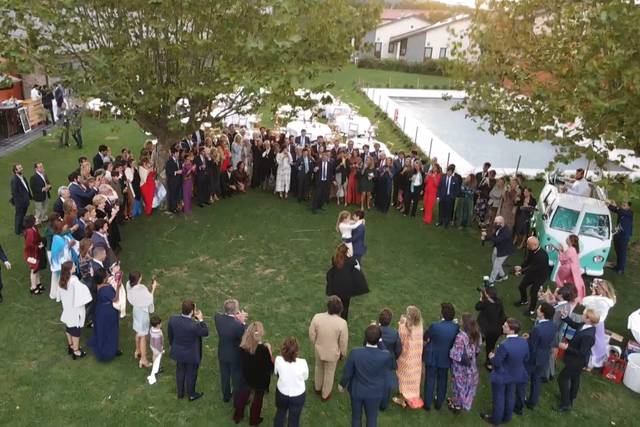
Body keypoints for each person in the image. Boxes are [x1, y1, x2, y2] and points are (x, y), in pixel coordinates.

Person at [339, 325, 394, 427]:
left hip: (357, 391)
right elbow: (392, 363)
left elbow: (347, 372)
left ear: (365, 337)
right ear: (379, 340)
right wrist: (380, 341)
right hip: (375, 393)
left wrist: (342, 385)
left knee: (356, 417)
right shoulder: (385, 356)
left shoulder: (355, 353)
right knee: (372, 419)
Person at [480, 318, 529, 425]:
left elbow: (496, 363)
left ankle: (496, 420)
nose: (503, 326)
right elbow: (526, 358)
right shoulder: (523, 342)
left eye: (505, 326)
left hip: (501, 376)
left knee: (499, 398)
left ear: (512, 330)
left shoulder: (504, 345)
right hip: (515, 375)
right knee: (510, 396)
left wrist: (491, 357)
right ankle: (507, 417)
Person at [557, 309, 599, 412]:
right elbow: (575, 325)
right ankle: (571, 397)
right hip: (577, 360)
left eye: (584, 315)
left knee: (562, 379)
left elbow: (582, 353)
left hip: (576, 361)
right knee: (575, 378)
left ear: (589, 319)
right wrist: (565, 317)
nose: (582, 315)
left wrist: (566, 348)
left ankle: (566, 403)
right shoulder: (586, 325)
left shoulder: (588, 336)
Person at [308, 296, 349, 401]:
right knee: (329, 374)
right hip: (332, 353)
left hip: (319, 349)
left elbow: (311, 334)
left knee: (319, 368)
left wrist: (315, 343)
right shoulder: (342, 323)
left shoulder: (317, 317)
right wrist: (342, 353)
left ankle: (317, 388)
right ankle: (325, 395)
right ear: (340, 309)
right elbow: (343, 341)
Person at [234, 321, 275, 425]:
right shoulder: (263, 350)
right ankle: (254, 420)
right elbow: (270, 367)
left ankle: (238, 416)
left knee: (243, 395)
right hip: (260, 379)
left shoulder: (243, 346)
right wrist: (269, 350)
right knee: (257, 399)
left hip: (247, 375)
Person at [168, 299, 209, 401]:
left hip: (178, 352)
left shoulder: (173, 320)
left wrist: (173, 345)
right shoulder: (194, 325)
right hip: (191, 355)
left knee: (180, 371)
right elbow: (205, 332)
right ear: (192, 311)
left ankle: (180, 393)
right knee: (191, 373)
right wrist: (201, 320)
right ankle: (191, 394)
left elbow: (170, 335)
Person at [423, 302, 459, 411]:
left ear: (442, 314)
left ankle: (427, 404)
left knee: (430, 380)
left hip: (432, 357)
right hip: (445, 358)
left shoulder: (435, 326)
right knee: (442, 380)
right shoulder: (456, 328)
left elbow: (426, 337)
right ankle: (439, 403)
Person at [521, 302, 556, 411]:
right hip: (544, 356)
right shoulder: (553, 325)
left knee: (523, 379)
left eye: (539, 309)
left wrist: (526, 340)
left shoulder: (538, 328)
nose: (537, 310)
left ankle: (520, 400)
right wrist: (531, 336)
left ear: (542, 313)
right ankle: (532, 403)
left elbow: (532, 347)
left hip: (533, 358)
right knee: (536, 380)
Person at [214, 299, 248, 404]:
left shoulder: (218, 318)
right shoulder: (238, 326)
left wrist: (235, 317)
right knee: (236, 378)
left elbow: (224, 316)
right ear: (235, 311)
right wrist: (242, 322)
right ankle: (237, 399)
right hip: (234, 356)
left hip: (222, 353)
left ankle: (226, 396)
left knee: (224, 376)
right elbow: (245, 337)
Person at [58, 261, 93, 359]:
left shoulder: (61, 280)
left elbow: (59, 295)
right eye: (73, 265)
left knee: (69, 327)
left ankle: (71, 345)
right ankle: (76, 350)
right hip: (75, 309)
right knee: (76, 330)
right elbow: (84, 290)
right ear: (69, 269)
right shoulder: (74, 280)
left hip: (67, 308)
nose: (75, 266)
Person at [325, 244, 369, 321]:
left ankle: (334, 319)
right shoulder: (350, 260)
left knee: (335, 304)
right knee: (345, 306)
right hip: (346, 288)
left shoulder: (334, 258)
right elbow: (355, 265)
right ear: (346, 252)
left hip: (336, 287)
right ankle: (343, 321)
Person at [448, 313, 481, 413]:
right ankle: (460, 403)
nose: (460, 320)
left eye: (461, 319)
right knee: (466, 385)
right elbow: (477, 349)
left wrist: (449, 351)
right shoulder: (477, 334)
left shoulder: (461, 337)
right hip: (471, 366)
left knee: (458, 385)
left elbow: (455, 355)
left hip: (460, 367)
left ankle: (456, 404)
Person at [393, 305, 424, 409]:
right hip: (416, 358)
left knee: (403, 379)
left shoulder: (404, 328)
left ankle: (402, 400)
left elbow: (400, 338)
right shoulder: (420, 326)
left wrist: (401, 323)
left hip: (405, 357)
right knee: (413, 378)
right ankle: (411, 396)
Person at [273, 337, 308, 427]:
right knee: (294, 419)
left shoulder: (278, 360)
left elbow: (276, 373)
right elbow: (305, 377)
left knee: (280, 414)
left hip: (282, 393)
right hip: (297, 396)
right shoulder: (303, 363)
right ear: (296, 351)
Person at [87, 271, 122, 362]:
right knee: (110, 331)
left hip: (100, 310)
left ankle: (106, 346)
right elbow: (115, 299)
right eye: (106, 275)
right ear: (103, 279)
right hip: (108, 312)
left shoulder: (98, 287)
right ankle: (109, 351)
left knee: (103, 330)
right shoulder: (106, 290)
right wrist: (118, 287)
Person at [581, 279, 616, 369]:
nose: (597, 288)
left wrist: (593, 296)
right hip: (597, 323)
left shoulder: (602, 302)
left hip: (595, 323)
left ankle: (589, 363)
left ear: (604, 290)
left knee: (593, 343)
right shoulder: (603, 298)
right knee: (595, 342)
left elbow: (586, 304)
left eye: (599, 287)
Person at [127, 272, 158, 369]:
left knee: (138, 332)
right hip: (143, 314)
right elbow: (149, 299)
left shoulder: (129, 285)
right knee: (143, 336)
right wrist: (153, 288)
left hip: (136, 311)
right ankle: (144, 360)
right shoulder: (142, 289)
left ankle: (137, 351)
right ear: (139, 279)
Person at [513, 237, 550, 315]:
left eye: (528, 244)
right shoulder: (531, 250)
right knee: (522, 286)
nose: (527, 246)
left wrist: (520, 272)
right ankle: (524, 300)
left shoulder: (542, 256)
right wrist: (521, 267)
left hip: (540, 276)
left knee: (533, 292)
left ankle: (531, 310)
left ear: (534, 245)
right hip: (532, 273)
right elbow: (528, 261)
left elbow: (532, 267)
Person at [476, 287, 506, 371]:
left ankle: (471, 358)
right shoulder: (499, 302)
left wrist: (481, 299)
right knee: (490, 346)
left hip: (484, 330)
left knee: (476, 343)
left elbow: (477, 306)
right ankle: (489, 363)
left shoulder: (485, 303)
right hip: (496, 331)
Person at [482, 216, 515, 284]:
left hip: (504, 251)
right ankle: (502, 275)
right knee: (494, 260)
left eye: (496, 223)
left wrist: (487, 236)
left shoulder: (506, 232)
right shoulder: (499, 227)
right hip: (498, 248)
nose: (495, 224)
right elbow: (494, 236)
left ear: (501, 223)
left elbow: (497, 240)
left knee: (496, 266)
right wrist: (485, 238)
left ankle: (491, 281)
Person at [554, 234, 585, 302]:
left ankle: (560, 291)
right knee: (570, 281)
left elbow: (562, 258)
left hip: (568, 268)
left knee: (558, 278)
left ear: (571, 241)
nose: (566, 239)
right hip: (572, 269)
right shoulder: (574, 250)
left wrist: (559, 251)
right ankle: (564, 292)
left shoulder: (571, 250)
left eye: (568, 238)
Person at [608, 200, 633, 274]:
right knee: (618, 251)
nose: (623, 206)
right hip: (618, 234)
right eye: (622, 204)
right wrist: (609, 205)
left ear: (629, 207)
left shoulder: (629, 213)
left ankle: (620, 269)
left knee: (622, 252)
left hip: (624, 236)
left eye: (624, 205)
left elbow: (619, 210)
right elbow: (616, 210)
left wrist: (614, 206)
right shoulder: (622, 211)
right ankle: (618, 266)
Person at [22, 215, 44, 295]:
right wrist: (38, 246)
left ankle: (38, 283)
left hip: (34, 252)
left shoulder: (33, 228)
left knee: (37, 268)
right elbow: (29, 244)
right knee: (34, 269)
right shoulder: (30, 231)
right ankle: (33, 287)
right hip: (31, 254)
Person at [10, 164, 32, 235]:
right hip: (20, 203)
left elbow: (26, 188)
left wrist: (29, 197)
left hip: (25, 201)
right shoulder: (14, 180)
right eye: (19, 168)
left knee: (22, 215)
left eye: (21, 167)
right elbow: (14, 193)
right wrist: (20, 203)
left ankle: (22, 227)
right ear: (15, 171)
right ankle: (18, 231)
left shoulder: (22, 177)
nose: (21, 169)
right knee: (19, 216)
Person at [147, 315, 164, 385]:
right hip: (157, 348)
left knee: (154, 356)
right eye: (160, 323)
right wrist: (160, 350)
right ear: (157, 325)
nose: (161, 324)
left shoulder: (151, 329)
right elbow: (158, 343)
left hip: (152, 346)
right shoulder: (158, 333)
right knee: (157, 358)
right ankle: (156, 369)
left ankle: (155, 366)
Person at [165, 148, 183, 214]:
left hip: (178, 180)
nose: (178, 154)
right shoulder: (169, 162)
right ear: (173, 154)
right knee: (172, 195)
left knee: (177, 194)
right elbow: (168, 172)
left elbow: (181, 169)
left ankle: (176, 206)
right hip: (172, 181)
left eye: (178, 153)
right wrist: (176, 172)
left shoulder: (179, 161)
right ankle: (172, 208)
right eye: (177, 153)